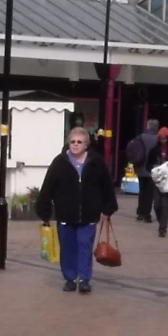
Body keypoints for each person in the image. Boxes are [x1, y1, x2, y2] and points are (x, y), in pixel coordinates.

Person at [35, 124, 118, 294]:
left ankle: (85, 279)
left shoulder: (96, 162)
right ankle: (70, 278)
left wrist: (108, 208)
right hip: (65, 214)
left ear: (86, 144)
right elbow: (48, 187)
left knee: (84, 246)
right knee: (68, 248)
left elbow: (107, 186)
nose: (75, 144)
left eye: (79, 142)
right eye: (72, 141)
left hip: (88, 214)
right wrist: (44, 210)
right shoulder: (59, 162)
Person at [145, 126, 168, 236]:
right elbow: (148, 165)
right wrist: (154, 168)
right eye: (161, 138)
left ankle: (162, 228)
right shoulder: (154, 150)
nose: (163, 140)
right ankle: (161, 220)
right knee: (157, 205)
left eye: (165, 138)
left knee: (165, 205)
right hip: (157, 181)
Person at [127, 116, 160, 224]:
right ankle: (147, 215)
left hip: (141, 168)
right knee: (149, 193)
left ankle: (140, 213)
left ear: (148, 126)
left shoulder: (140, 137)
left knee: (142, 191)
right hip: (152, 169)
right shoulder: (158, 139)